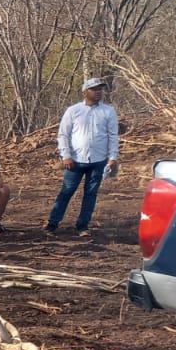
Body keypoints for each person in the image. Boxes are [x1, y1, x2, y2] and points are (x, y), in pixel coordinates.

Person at [45, 77, 120, 237]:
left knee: (90, 194)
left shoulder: (108, 111)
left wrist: (113, 157)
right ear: (85, 92)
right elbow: (63, 134)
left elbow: (113, 135)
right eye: (94, 89)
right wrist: (65, 155)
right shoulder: (73, 110)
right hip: (75, 161)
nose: (98, 92)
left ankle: (82, 226)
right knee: (67, 191)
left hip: (98, 160)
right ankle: (53, 223)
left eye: (100, 89)